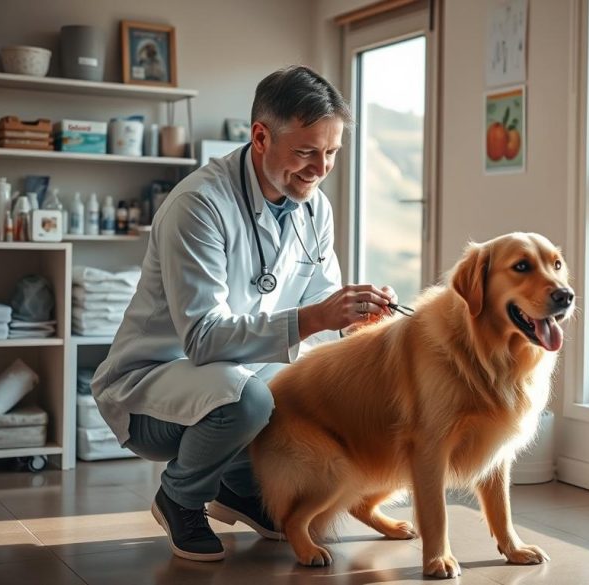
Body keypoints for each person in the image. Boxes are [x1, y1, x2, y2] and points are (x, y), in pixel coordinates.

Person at [92, 65, 397, 562]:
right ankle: (180, 496)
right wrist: (318, 317)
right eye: (306, 151)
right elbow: (205, 339)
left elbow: (319, 298)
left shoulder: (313, 207)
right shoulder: (198, 204)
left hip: (235, 375)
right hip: (151, 385)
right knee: (250, 399)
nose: (320, 168)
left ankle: (235, 487)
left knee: (293, 388)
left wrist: (352, 315)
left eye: (332, 153)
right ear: (260, 136)